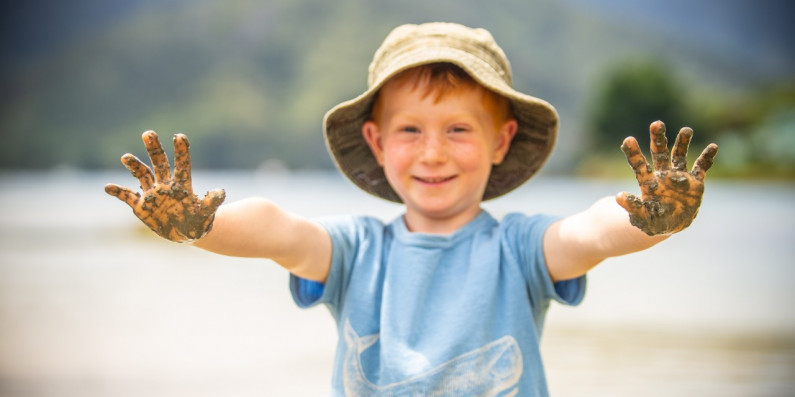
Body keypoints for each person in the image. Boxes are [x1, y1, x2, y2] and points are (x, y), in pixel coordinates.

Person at [105, 22, 718, 396]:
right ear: (375, 140)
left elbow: (592, 234)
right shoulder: (353, 252)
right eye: (409, 130)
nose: (432, 153)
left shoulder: (520, 250)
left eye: (458, 129)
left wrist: (649, 217)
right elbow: (276, 231)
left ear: (501, 141)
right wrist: (203, 224)